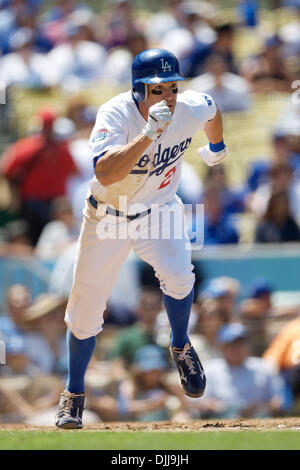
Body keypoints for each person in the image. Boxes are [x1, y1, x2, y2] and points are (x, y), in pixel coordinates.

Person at [55, 47, 228, 429]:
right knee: (84, 314)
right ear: (137, 90)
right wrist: (150, 134)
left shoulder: (190, 105)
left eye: (172, 88)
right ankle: (74, 393)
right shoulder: (116, 113)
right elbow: (105, 174)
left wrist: (216, 149)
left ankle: (181, 344)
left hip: (160, 209)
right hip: (109, 215)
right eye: (156, 89)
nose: (167, 96)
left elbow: (212, 109)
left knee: (181, 275)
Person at [189, 323, 285, 419]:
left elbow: (280, 401)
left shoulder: (263, 367)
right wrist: (217, 406)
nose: (237, 348)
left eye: (240, 343)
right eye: (232, 344)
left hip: (259, 422)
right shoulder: (209, 369)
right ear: (222, 347)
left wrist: (259, 408)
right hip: (219, 424)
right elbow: (195, 403)